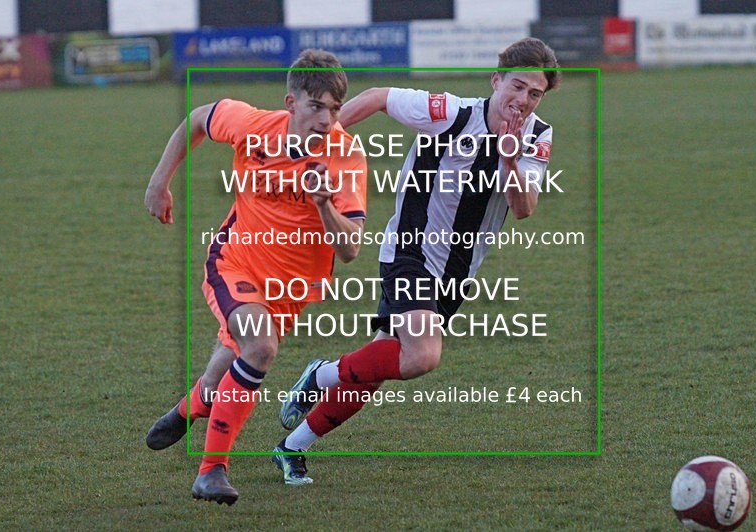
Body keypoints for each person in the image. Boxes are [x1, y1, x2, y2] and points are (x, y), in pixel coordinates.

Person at [276, 38, 561, 483]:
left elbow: (523, 208)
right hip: (410, 251)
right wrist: (316, 145)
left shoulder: (537, 136)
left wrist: (508, 160)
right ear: (496, 81)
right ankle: (322, 376)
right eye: (517, 86)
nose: (522, 100)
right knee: (422, 355)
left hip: (457, 271)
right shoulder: (450, 111)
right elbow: (375, 99)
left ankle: (291, 446)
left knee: (377, 368)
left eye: (534, 93)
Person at [143, 49, 367, 504]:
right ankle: (211, 472)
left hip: (290, 290)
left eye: (335, 109)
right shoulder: (251, 125)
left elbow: (349, 250)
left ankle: (193, 406)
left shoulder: (345, 156)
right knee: (260, 347)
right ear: (291, 102)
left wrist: (324, 204)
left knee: (223, 378)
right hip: (235, 263)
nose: (326, 119)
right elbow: (199, 119)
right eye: (316, 106)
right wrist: (159, 181)